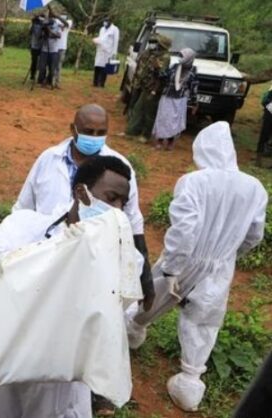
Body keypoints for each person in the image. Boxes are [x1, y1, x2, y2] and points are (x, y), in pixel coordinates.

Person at [0, 155, 139, 418]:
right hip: (5, 354)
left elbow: (115, 315)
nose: (117, 209)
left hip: (58, 373)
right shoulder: (26, 227)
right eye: (111, 198)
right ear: (81, 192)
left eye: (123, 202)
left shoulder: (118, 255)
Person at [126, 121, 268, 412]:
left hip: (186, 258)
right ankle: (190, 382)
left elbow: (184, 229)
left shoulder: (194, 182)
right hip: (220, 264)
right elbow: (254, 235)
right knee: (204, 320)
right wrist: (228, 255)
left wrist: (172, 268)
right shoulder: (254, 188)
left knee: (150, 300)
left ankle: (130, 334)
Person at [15, 104, 154, 310]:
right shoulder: (48, 160)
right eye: (89, 132)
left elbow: (132, 220)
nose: (95, 137)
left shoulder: (119, 168)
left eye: (101, 133)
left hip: (95, 260)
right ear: (73, 129)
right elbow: (23, 209)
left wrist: (145, 277)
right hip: (46, 255)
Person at [125, 35, 172, 143]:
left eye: (158, 43)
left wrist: (154, 90)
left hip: (154, 88)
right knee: (138, 109)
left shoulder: (165, 57)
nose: (155, 44)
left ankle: (145, 136)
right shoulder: (154, 53)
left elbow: (161, 75)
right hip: (146, 86)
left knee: (149, 113)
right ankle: (131, 132)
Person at [152, 48, 198, 151]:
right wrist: (156, 69)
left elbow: (194, 88)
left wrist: (194, 103)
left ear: (189, 58)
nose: (180, 58)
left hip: (180, 100)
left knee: (175, 121)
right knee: (163, 118)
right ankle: (159, 141)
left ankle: (170, 142)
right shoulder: (174, 67)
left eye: (183, 56)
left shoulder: (193, 72)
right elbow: (162, 76)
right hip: (167, 97)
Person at [37, 8, 67, 88]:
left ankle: (48, 82)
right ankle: (42, 81)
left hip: (54, 50)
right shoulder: (45, 23)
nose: (50, 17)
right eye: (49, 15)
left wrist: (50, 32)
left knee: (52, 68)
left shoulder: (57, 24)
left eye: (51, 15)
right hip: (44, 49)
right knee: (42, 67)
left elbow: (59, 35)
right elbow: (39, 36)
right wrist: (43, 32)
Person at [92, 16, 119, 88]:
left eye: (106, 21)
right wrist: (95, 40)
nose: (105, 23)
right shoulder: (102, 29)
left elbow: (115, 42)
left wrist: (114, 53)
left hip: (108, 51)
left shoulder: (115, 29)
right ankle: (95, 83)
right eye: (104, 21)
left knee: (104, 68)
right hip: (100, 50)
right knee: (97, 66)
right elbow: (100, 38)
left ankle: (101, 83)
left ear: (110, 22)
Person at [256, 83, 272, 167]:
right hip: (270, 110)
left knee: (265, 134)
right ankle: (258, 159)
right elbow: (266, 99)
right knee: (264, 134)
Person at [28, 12, 46, 82]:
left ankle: (41, 77)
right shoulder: (34, 24)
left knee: (42, 62)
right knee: (34, 61)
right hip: (34, 45)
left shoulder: (44, 25)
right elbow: (29, 32)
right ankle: (32, 75)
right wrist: (33, 22)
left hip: (42, 46)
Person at [56, 14, 72, 88]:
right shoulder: (56, 20)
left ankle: (57, 83)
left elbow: (66, 24)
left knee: (59, 66)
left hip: (62, 47)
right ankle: (50, 80)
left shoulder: (69, 22)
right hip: (54, 46)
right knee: (52, 65)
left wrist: (57, 16)